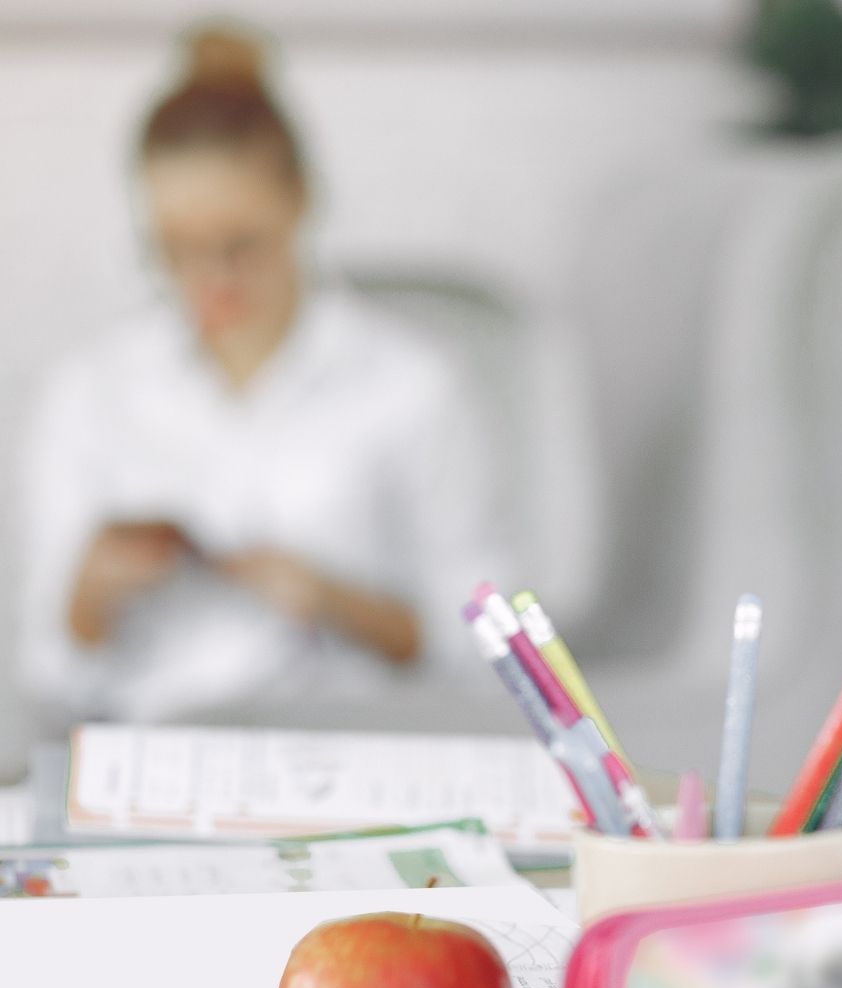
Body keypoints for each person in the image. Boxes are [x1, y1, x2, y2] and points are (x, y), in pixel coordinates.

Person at [18, 26, 499, 725]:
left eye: (239, 245)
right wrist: (88, 597)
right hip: (153, 752)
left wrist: (336, 601)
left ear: (299, 200)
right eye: (177, 252)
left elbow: (493, 651)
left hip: (354, 747)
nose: (212, 281)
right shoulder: (90, 391)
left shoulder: (414, 386)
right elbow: (45, 672)